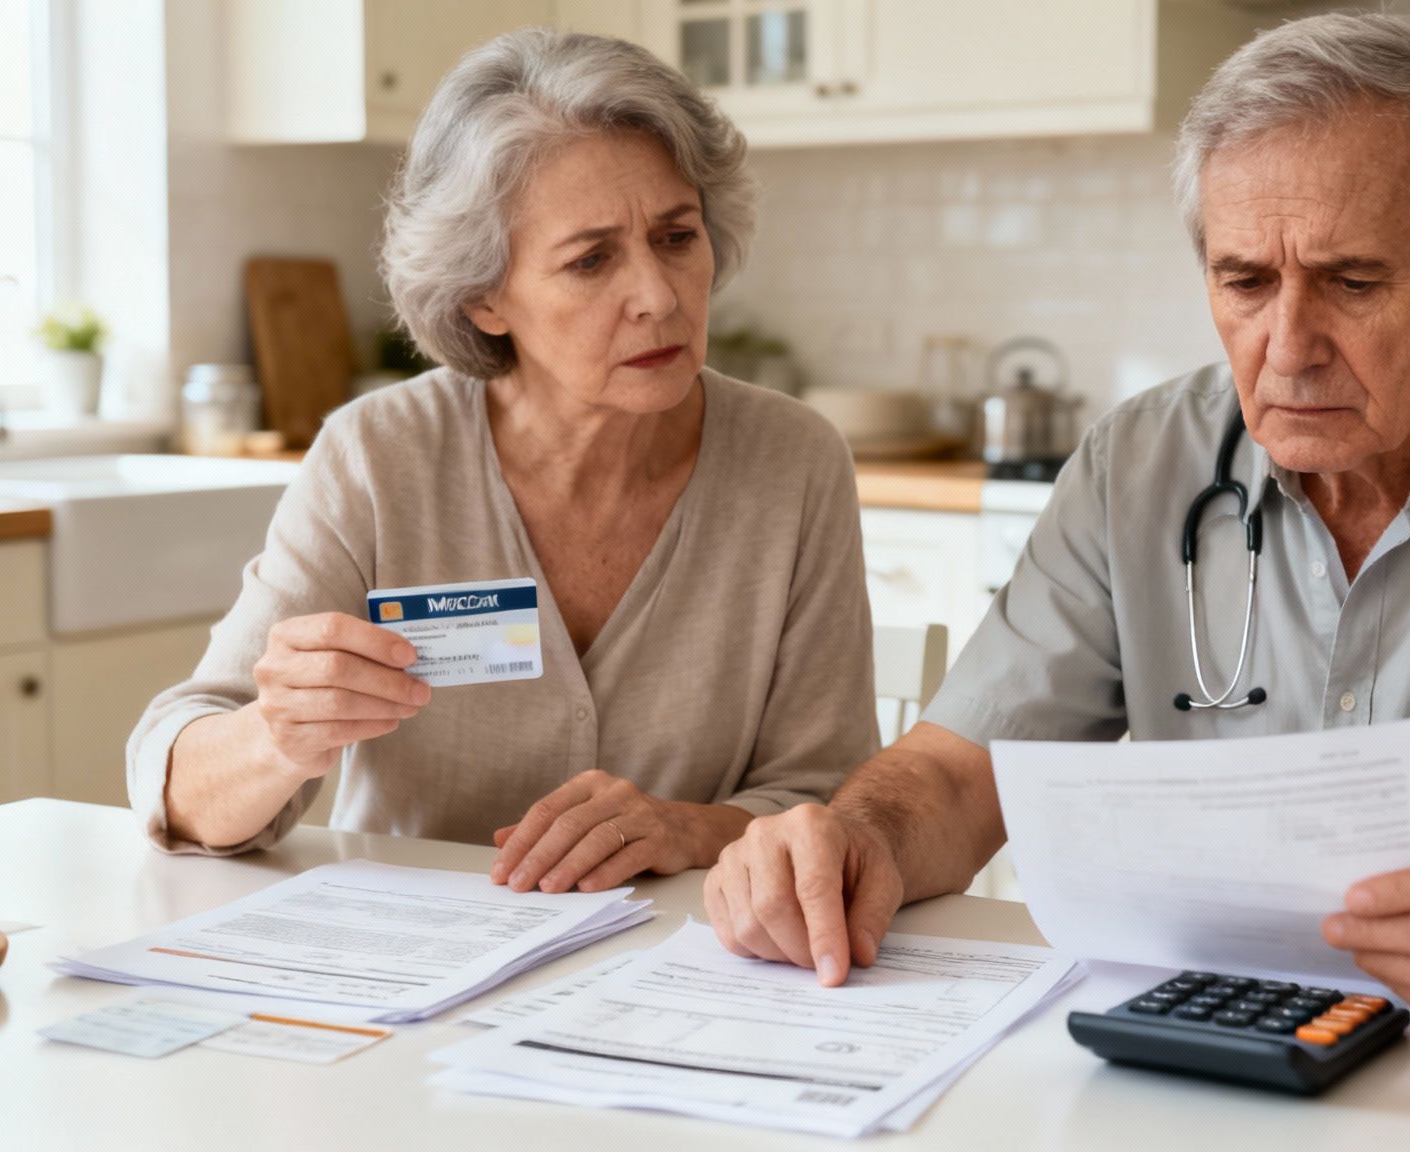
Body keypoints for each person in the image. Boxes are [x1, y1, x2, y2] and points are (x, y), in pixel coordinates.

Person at [703, 11, 1410, 1049]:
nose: (1287, 346)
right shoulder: (1135, 467)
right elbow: (952, 780)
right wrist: (849, 839)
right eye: (1243, 280)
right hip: (1205, 1060)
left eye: (1349, 281)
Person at [127, 29, 877, 894]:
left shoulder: (795, 462)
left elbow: (828, 795)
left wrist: (686, 828)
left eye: (676, 237)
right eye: (591, 259)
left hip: (690, 965)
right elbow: (177, 780)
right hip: (415, 970)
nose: (659, 296)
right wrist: (275, 737)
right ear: (485, 297)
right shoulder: (379, 457)